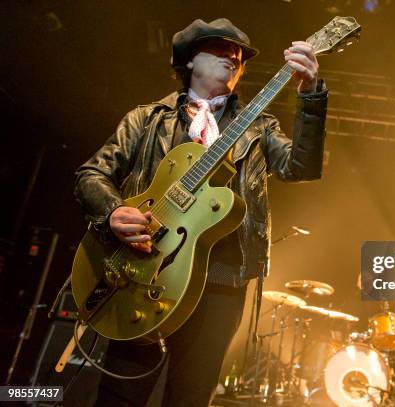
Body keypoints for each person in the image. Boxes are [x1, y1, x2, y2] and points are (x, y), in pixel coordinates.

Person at [74, 18, 327, 406]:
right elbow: (92, 174)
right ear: (189, 61)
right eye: (220, 48)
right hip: (143, 269)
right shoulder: (147, 118)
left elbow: (301, 168)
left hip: (221, 279)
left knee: (191, 397)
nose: (234, 56)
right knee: (120, 395)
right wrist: (112, 213)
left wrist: (310, 95)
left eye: (239, 56)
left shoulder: (258, 126)